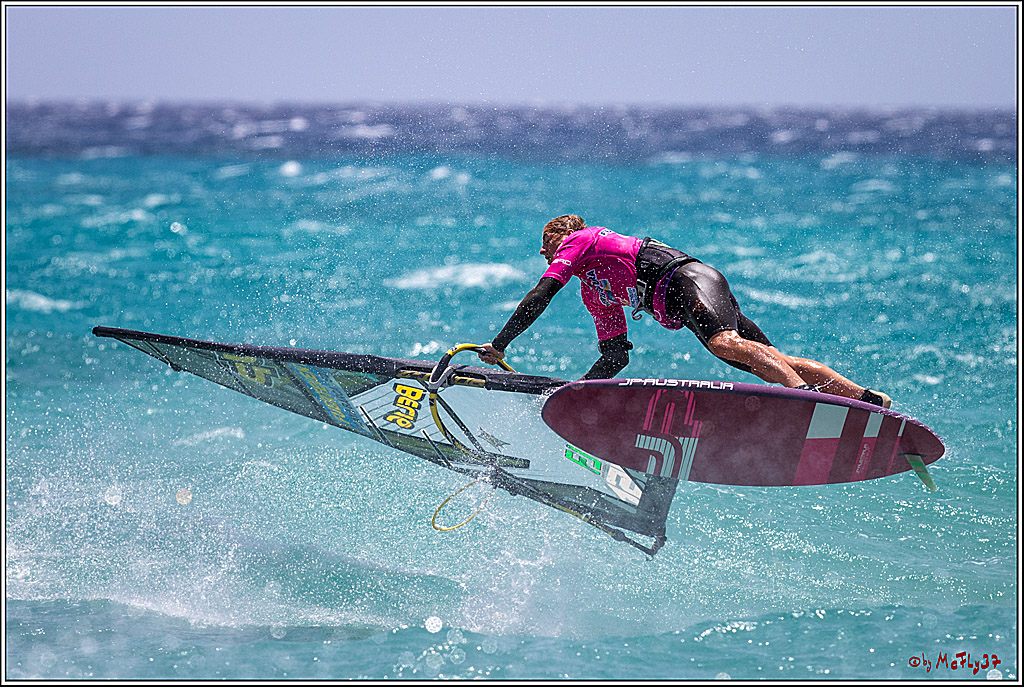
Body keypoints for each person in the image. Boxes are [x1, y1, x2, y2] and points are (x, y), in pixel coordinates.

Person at [477, 214, 892, 408]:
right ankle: (867, 399)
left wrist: (500, 344)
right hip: (677, 299)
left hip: (687, 279)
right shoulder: (595, 292)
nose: (544, 253)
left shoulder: (581, 239)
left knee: (724, 343)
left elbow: (541, 294)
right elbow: (616, 355)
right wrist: (577, 394)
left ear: (561, 239)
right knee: (763, 359)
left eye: (547, 246)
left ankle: (802, 399)